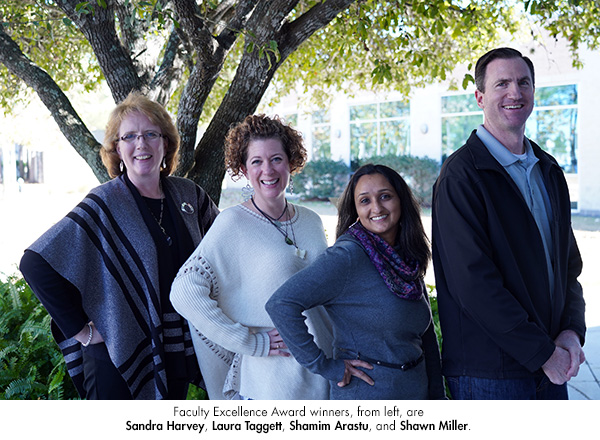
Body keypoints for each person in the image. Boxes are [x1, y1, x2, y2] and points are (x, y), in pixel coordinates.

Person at [19, 92, 219, 399]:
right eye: (129, 137)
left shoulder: (188, 196)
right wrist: (83, 332)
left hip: (176, 349)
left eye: (151, 134)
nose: (141, 144)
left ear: (165, 144)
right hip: (118, 355)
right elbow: (35, 264)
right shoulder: (104, 203)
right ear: (117, 149)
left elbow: (226, 252)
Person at [432, 47, 586, 400]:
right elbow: (474, 285)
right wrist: (542, 353)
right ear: (479, 96)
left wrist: (571, 331)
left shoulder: (548, 170)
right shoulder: (461, 176)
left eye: (523, 83)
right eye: (502, 83)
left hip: (550, 362)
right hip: (491, 374)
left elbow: (567, 267)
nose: (514, 93)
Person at [170, 114, 332, 400]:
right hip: (273, 385)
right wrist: (250, 342)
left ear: (291, 161)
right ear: (243, 169)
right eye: (256, 161)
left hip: (324, 374)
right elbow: (184, 292)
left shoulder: (312, 221)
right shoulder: (232, 224)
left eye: (276, 159)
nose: (268, 169)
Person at [266, 164, 446, 400]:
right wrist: (327, 367)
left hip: (416, 392)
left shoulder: (404, 257)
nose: (377, 207)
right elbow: (281, 304)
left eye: (385, 196)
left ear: (400, 199)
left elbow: (425, 338)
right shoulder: (348, 256)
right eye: (365, 201)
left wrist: (437, 396)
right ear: (356, 209)